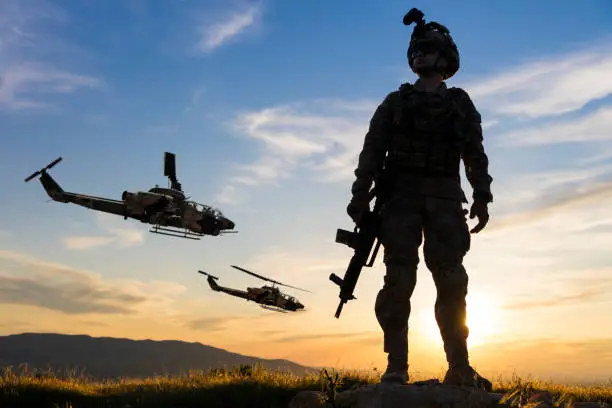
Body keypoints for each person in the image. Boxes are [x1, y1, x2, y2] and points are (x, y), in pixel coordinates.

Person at [346, 9, 493, 390]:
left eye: (427, 50)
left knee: (451, 280)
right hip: (400, 200)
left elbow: (474, 152)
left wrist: (482, 194)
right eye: (415, 52)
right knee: (398, 279)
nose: (419, 57)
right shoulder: (396, 102)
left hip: (445, 200)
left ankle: (458, 365)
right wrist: (360, 195)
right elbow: (372, 150)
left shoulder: (459, 103)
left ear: (445, 58)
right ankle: (396, 365)